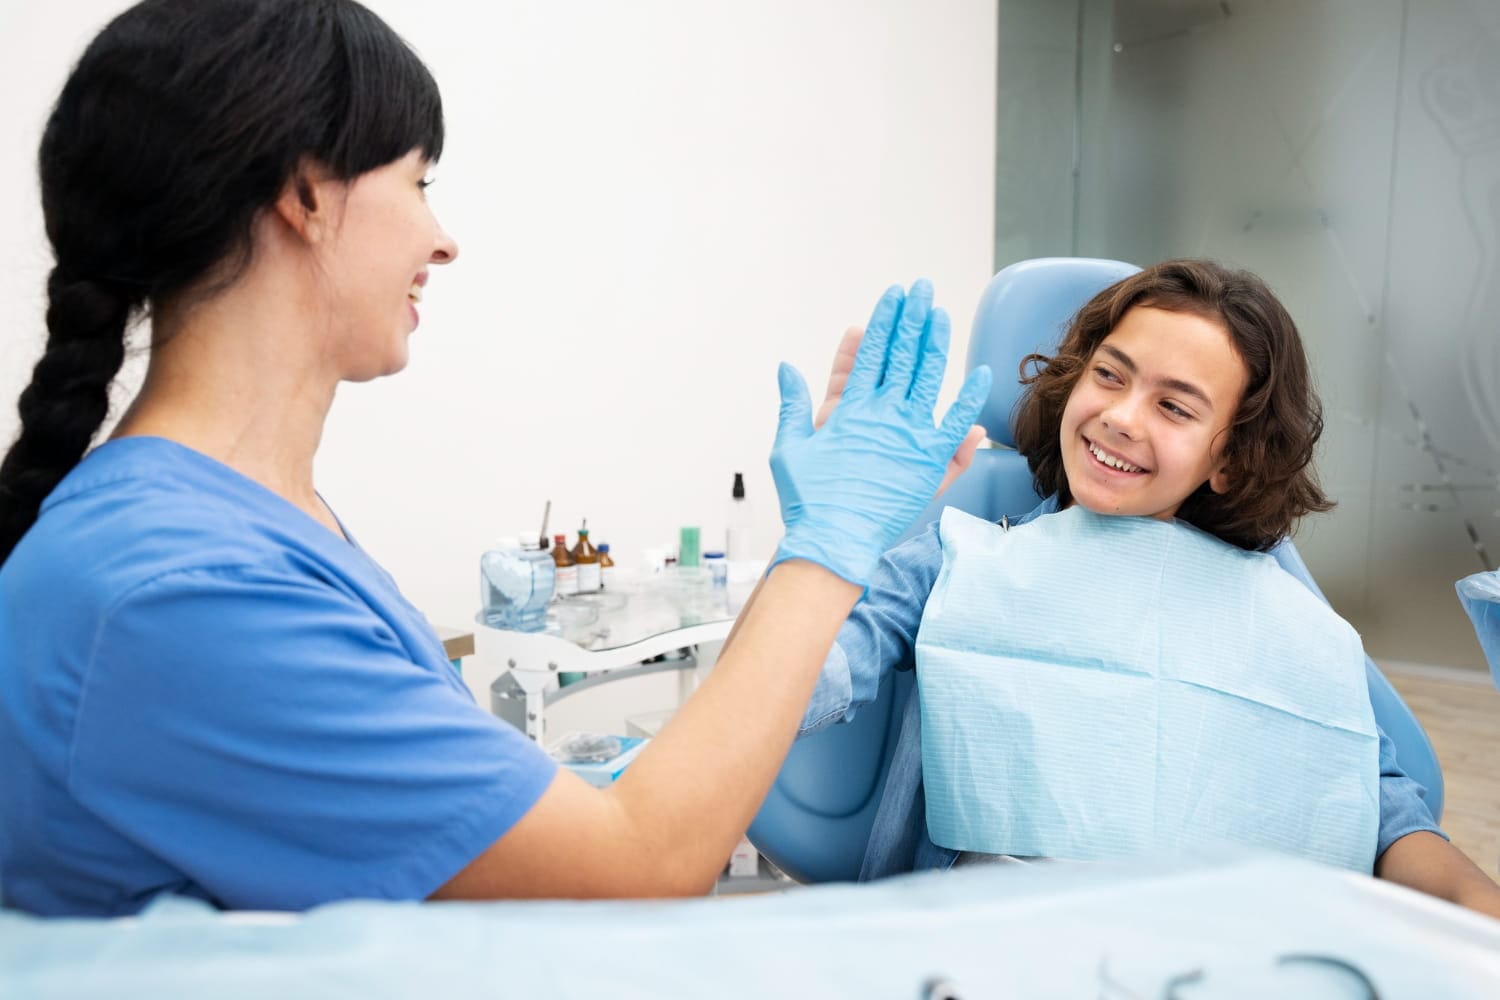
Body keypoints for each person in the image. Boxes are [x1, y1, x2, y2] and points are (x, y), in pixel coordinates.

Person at [0, 0, 990, 917]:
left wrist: (584, 782)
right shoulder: (179, 590)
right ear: (303, 191)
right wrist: (827, 549)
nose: (443, 239)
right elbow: (641, 868)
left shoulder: (248, 520)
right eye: (419, 182)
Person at [801, 259, 1500, 919]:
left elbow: (1380, 807)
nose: (1123, 417)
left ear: (1227, 459)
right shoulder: (960, 559)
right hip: (992, 948)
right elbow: (800, 686)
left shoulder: (1283, 616)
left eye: (1175, 408)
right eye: (1110, 375)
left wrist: (1478, 914)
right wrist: (829, 537)